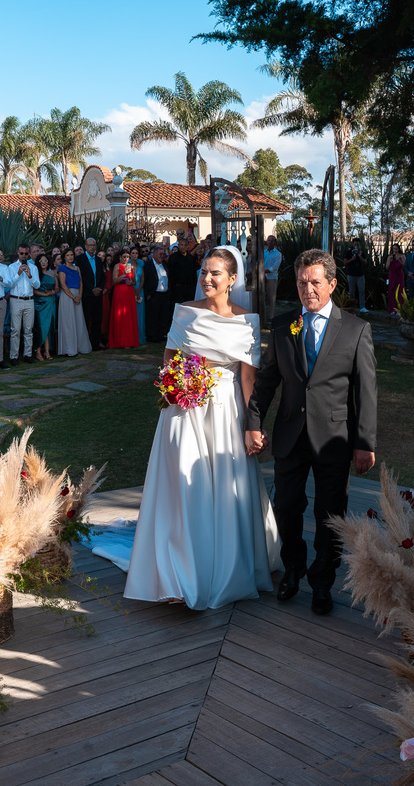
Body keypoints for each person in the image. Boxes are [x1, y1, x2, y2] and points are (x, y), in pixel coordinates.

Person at [123, 248, 281, 609]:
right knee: (182, 485)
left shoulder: (247, 321)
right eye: (203, 272)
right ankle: (180, 574)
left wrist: (252, 426)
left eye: (215, 274)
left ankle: (223, 568)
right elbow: (168, 360)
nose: (206, 279)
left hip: (226, 411)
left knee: (226, 486)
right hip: (183, 411)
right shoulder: (185, 312)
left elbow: (247, 378)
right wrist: (174, 386)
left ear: (231, 280)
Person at [246, 248, 377, 616]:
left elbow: (365, 392)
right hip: (290, 435)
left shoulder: (356, 330)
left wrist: (365, 443)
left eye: (315, 283)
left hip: (335, 439)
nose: (308, 290)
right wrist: (253, 423)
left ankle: (322, 582)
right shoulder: (284, 324)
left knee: (330, 515)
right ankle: (293, 568)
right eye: (302, 283)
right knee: (286, 507)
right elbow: (267, 379)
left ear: (332, 284)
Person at [5, 243, 40, 365]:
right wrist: (19, 273)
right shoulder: (12, 267)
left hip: (29, 300)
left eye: (26, 254)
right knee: (15, 330)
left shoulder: (34, 267)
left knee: (28, 329)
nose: (23, 256)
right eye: (21, 253)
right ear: (18, 253)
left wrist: (29, 275)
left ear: (29, 254)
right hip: (16, 300)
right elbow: (9, 284)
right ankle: (13, 356)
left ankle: (28, 354)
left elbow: (37, 285)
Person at [56, 247, 91, 357]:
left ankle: (80, 346)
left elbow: (81, 283)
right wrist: (73, 297)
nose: (70, 257)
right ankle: (69, 348)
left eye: (72, 255)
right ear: (64, 257)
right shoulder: (62, 268)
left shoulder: (77, 268)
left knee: (78, 321)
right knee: (68, 322)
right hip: (67, 297)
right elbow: (63, 285)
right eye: (68, 255)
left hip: (77, 296)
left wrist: (79, 296)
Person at [77, 238, 107, 351]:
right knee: (85, 319)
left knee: (97, 320)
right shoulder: (80, 259)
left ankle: (96, 343)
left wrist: (99, 288)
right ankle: (84, 343)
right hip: (86, 295)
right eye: (90, 245)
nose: (92, 247)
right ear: (85, 246)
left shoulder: (98, 260)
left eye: (94, 245)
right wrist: (92, 289)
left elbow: (102, 277)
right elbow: (82, 277)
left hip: (98, 295)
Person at [108, 251, 139, 349]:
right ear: (120, 257)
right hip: (120, 292)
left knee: (129, 316)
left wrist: (132, 283)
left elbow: (134, 281)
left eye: (128, 257)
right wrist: (124, 274)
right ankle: (119, 341)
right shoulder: (117, 266)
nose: (126, 258)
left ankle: (129, 341)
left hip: (129, 292)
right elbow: (114, 281)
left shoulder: (131, 266)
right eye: (124, 256)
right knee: (120, 315)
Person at [143, 244, 171, 342]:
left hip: (164, 294)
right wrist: (147, 294)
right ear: (154, 254)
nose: (161, 256)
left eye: (163, 254)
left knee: (163, 315)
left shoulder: (164, 265)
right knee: (153, 316)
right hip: (154, 294)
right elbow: (144, 281)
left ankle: (161, 334)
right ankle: (152, 336)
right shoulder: (148, 265)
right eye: (160, 254)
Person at [32, 253, 57, 361]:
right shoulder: (35, 273)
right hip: (39, 303)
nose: (43, 263)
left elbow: (57, 288)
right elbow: (33, 290)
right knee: (40, 327)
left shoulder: (52, 274)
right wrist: (44, 294)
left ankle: (47, 351)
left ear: (48, 262)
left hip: (50, 302)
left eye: (45, 260)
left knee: (48, 326)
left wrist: (52, 292)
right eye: (41, 261)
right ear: (38, 262)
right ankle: (38, 351)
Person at [167, 240, 198, 318]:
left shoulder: (190, 258)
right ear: (178, 246)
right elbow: (170, 274)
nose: (183, 247)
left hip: (189, 289)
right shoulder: (173, 257)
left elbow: (193, 273)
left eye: (185, 245)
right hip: (177, 289)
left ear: (187, 246)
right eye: (181, 245)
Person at [343, 240, 367, 311]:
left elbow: (365, 263)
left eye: (357, 243)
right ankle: (351, 307)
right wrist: (351, 259)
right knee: (351, 292)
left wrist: (360, 256)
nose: (356, 244)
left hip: (360, 275)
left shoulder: (362, 252)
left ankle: (362, 307)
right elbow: (345, 263)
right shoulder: (349, 252)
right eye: (355, 243)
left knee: (361, 291)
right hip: (351, 274)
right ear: (353, 243)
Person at [385, 246, 405, 313]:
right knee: (392, 291)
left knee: (400, 291)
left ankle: (399, 309)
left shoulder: (402, 256)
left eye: (396, 248)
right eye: (394, 249)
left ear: (399, 249)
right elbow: (387, 267)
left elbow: (404, 266)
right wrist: (390, 261)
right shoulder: (390, 257)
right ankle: (392, 308)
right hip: (392, 275)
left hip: (399, 275)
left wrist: (399, 260)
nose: (395, 250)